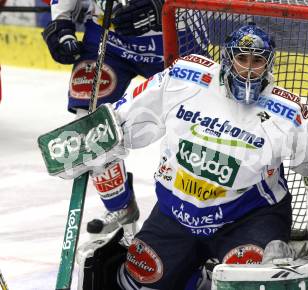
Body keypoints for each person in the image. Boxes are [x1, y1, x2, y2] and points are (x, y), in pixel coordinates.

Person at [70, 23, 308, 289]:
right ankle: (195, 277)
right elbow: (123, 118)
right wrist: (91, 138)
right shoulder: (184, 80)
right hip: (176, 213)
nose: (249, 69)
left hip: (248, 217)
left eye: (257, 61)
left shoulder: (287, 111)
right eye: (242, 59)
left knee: (252, 284)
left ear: (268, 65)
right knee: (136, 283)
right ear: (227, 60)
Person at [41, 0, 206, 234]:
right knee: (89, 124)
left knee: (199, 126)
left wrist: (161, 6)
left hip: (173, 33)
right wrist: (61, 21)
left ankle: (201, 219)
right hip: (107, 38)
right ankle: (121, 209)